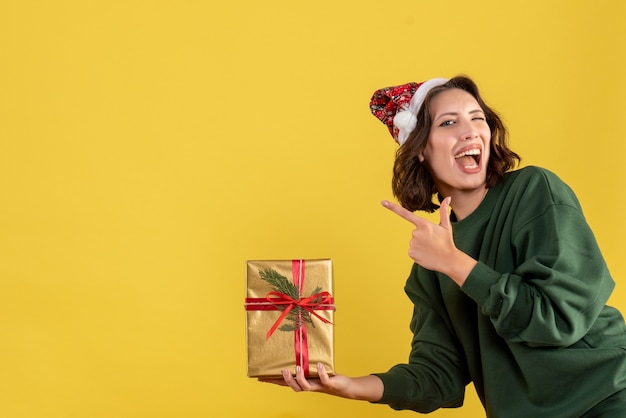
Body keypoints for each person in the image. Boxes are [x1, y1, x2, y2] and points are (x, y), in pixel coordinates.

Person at [260, 75, 626, 417]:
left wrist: (456, 264)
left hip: (608, 394)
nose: (470, 131)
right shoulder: (430, 266)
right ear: (420, 148)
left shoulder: (533, 192)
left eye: (477, 118)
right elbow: (439, 377)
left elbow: (560, 319)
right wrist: (347, 386)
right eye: (449, 123)